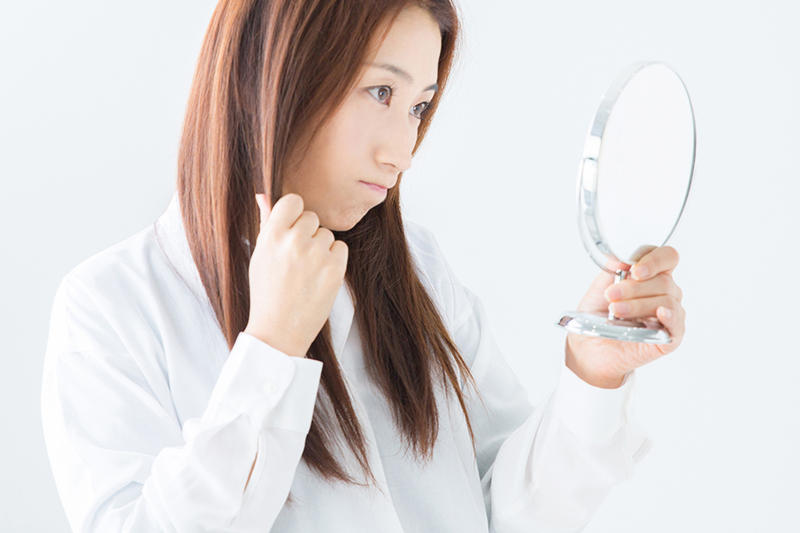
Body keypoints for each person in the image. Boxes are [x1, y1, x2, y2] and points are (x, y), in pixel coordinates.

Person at [40, 0, 686, 531]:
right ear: (269, 74)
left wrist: (592, 374)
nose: (402, 151)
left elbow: (502, 513)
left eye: (418, 107)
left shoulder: (417, 269)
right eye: (381, 92)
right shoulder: (111, 307)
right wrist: (271, 350)